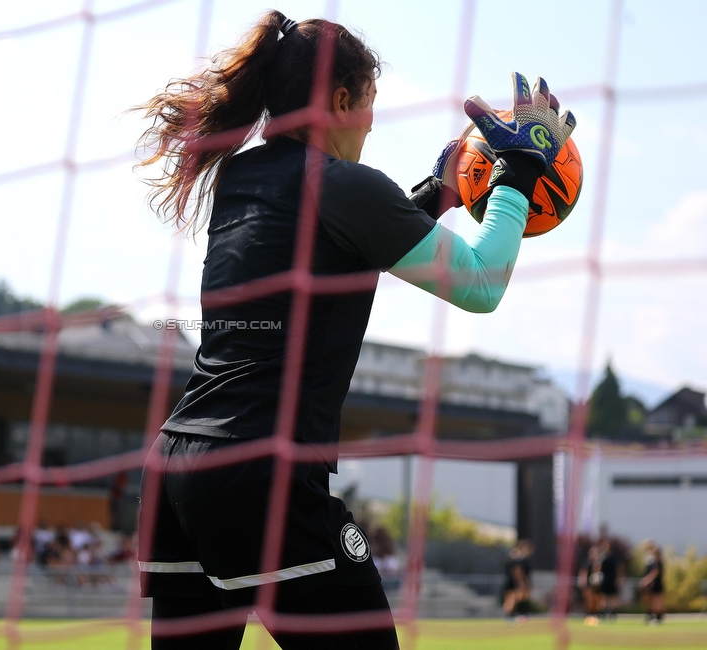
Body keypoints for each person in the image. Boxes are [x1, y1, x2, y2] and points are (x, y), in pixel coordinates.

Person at [133, 10, 575, 650]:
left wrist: (434, 194)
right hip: (263, 472)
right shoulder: (341, 185)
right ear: (341, 100)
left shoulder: (241, 176)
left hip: (178, 466)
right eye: (369, 105)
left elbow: (331, 251)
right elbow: (481, 286)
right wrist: (515, 180)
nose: (371, 123)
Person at [638, 541, 664, 624]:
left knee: (657, 600)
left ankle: (658, 617)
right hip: (652, 585)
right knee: (651, 601)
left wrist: (646, 580)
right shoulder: (651, 561)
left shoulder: (658, 562)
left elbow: (655, 573)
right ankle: (652, 616)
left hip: (656, 583)